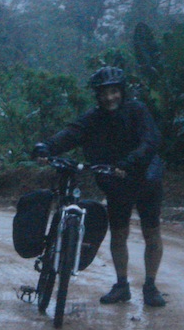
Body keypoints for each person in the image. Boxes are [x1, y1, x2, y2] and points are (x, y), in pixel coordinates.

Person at [32, 66, 166, 307]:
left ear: (121, 92)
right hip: (116, 181)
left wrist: (130, 162)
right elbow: (71, 133)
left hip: (146, 177)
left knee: (151, 232)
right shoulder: (94, 117)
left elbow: (150, 141)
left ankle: (150, 286)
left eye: (113, 92)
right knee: (119, 233)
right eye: (104, 93)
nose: (109, 98)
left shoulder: (137, 110)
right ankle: (121, 285)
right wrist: (46, 147)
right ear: (98, 95)